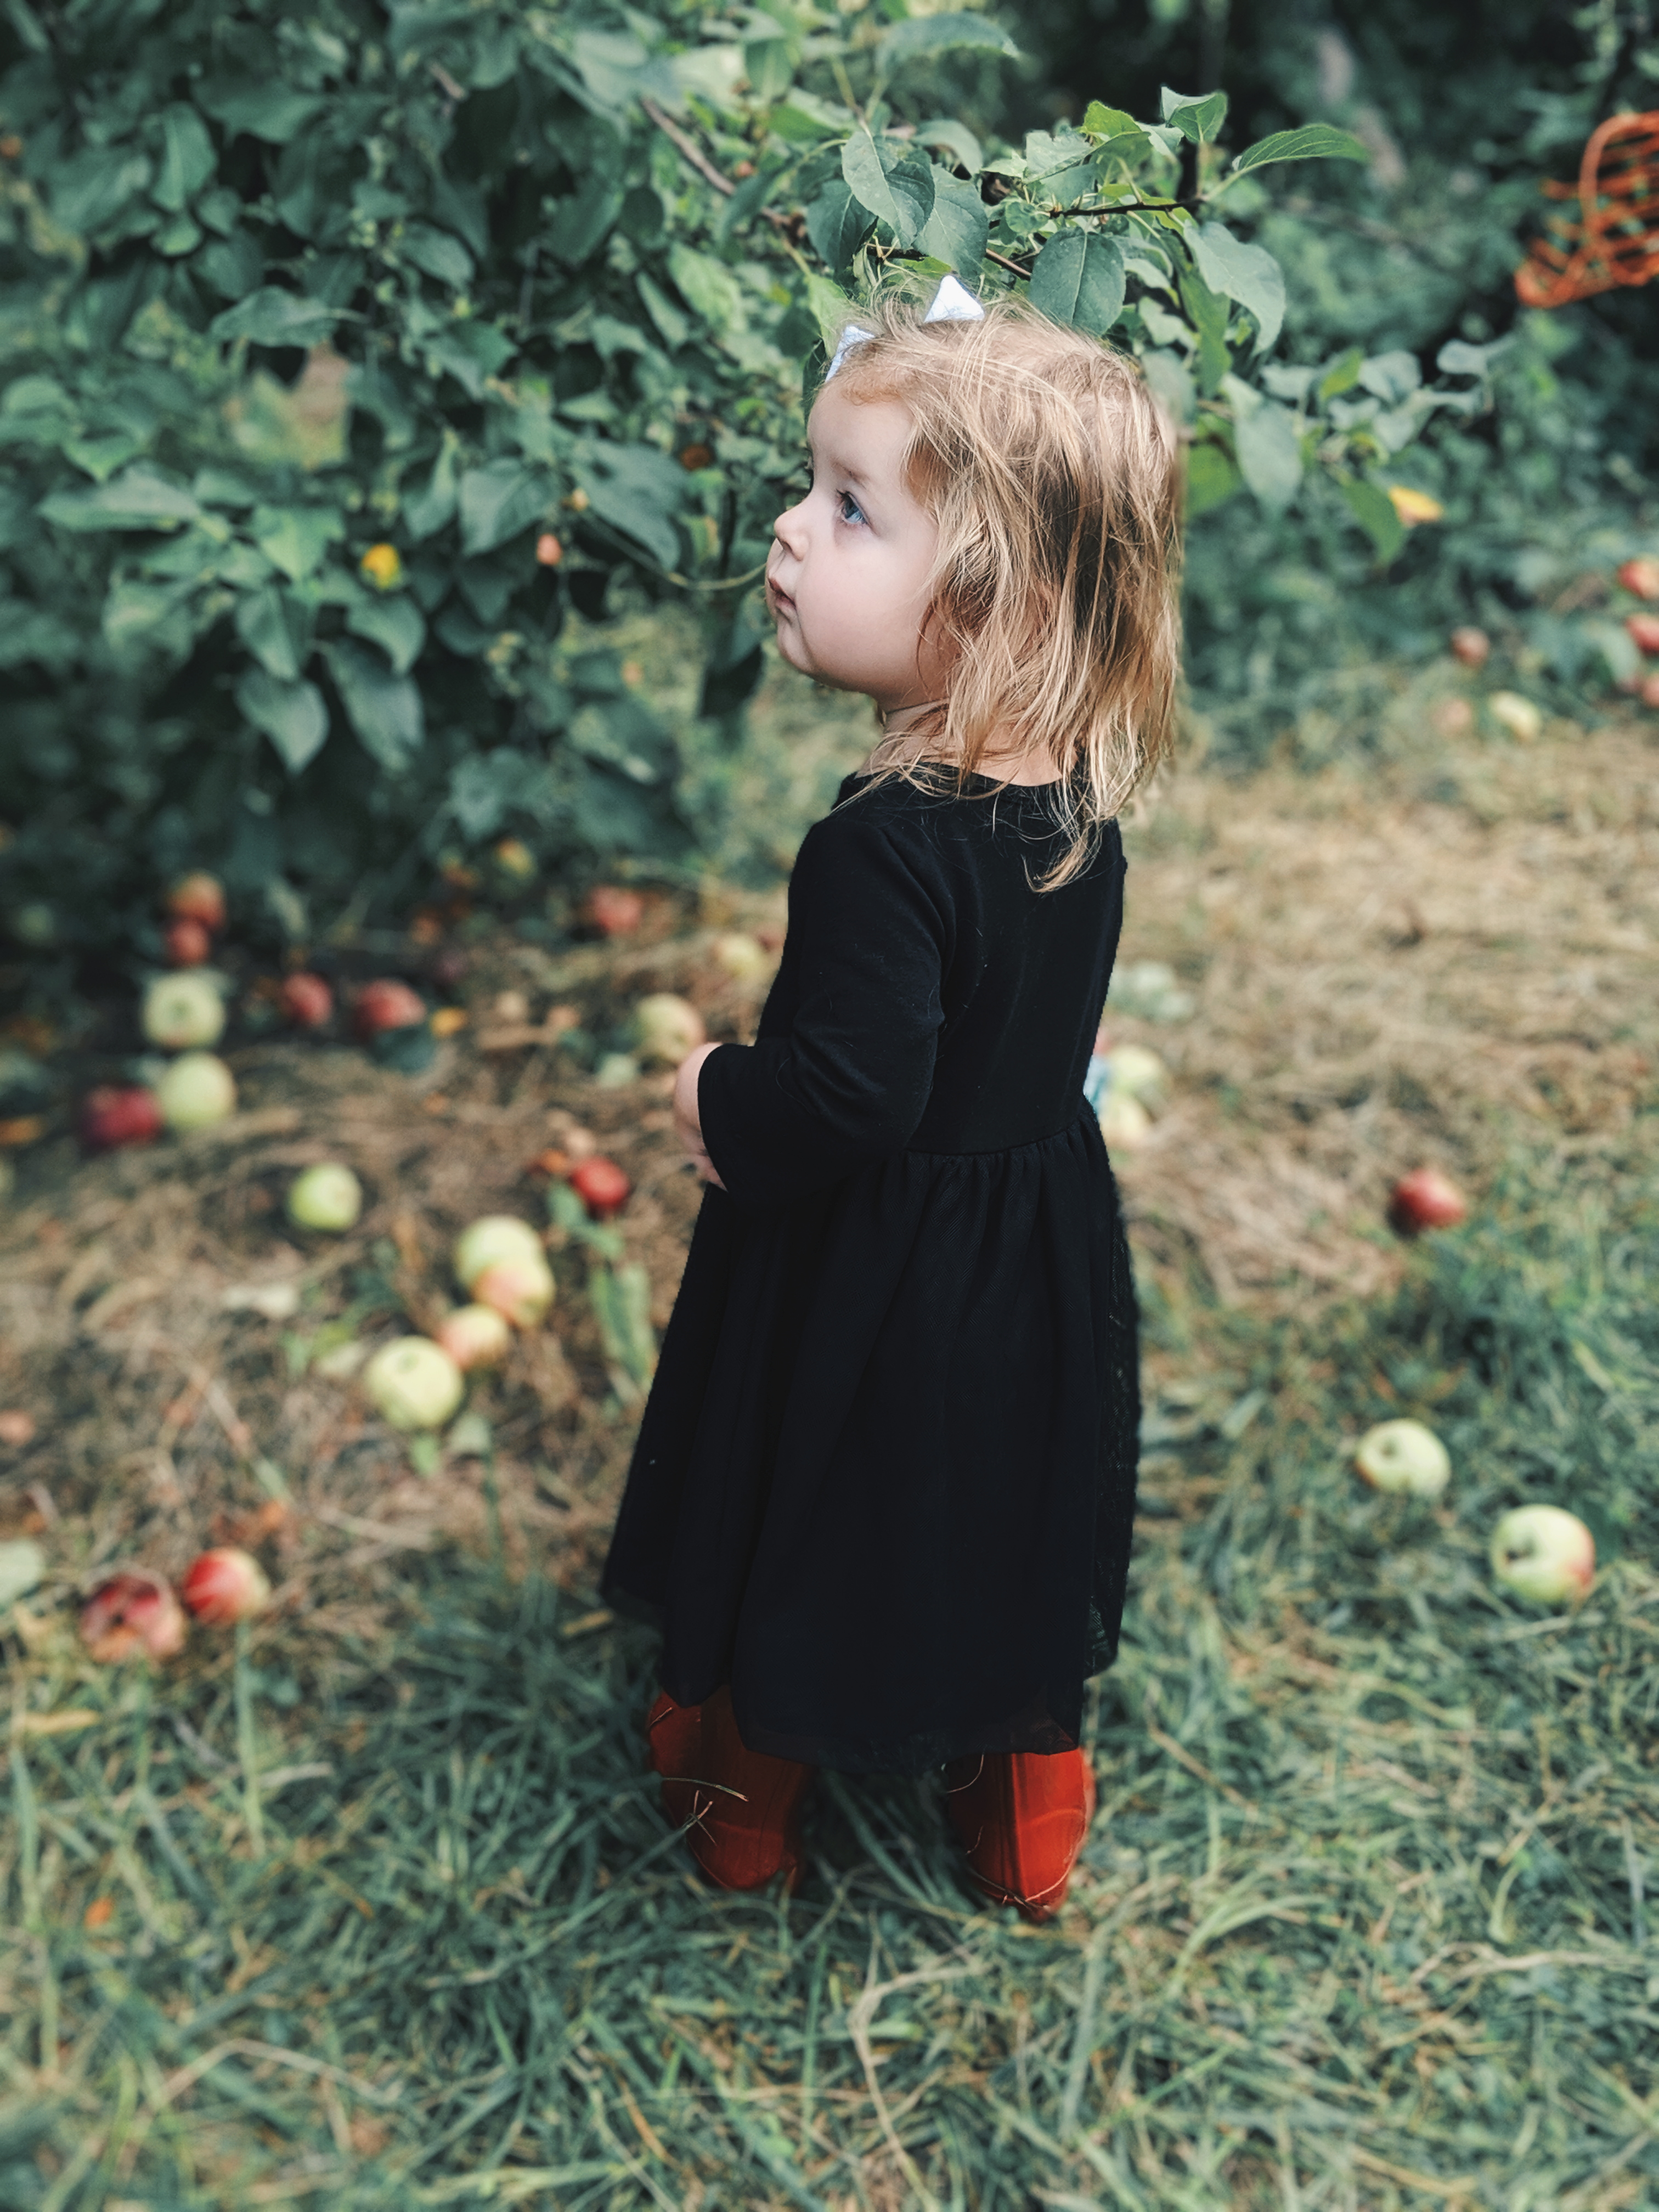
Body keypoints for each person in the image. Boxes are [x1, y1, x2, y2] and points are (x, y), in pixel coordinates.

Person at [601, 279, 1182, 1922]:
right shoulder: (1077, 809)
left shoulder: (880, 847)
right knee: (1001, 1516)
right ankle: (1026, 1822)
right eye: (815, 488)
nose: (789, 531)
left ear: (990, 604)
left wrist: (720, 1090)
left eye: (850, 509)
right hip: (1032, 1243)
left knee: (811, 1500)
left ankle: (740, 1800)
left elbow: (854, 1097)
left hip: (868, 1266)